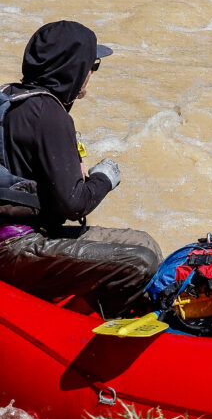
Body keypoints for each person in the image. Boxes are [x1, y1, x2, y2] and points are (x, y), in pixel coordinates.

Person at [0, 21, 160, 317]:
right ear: (73, 68)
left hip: (20, 236)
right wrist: (105, 177)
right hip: (15, 247)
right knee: (141, 262)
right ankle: (84, 333)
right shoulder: (49, 114)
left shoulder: (10, 98)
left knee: (144, 242)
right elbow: (75, 204)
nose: (90, 74)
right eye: (92, 65)